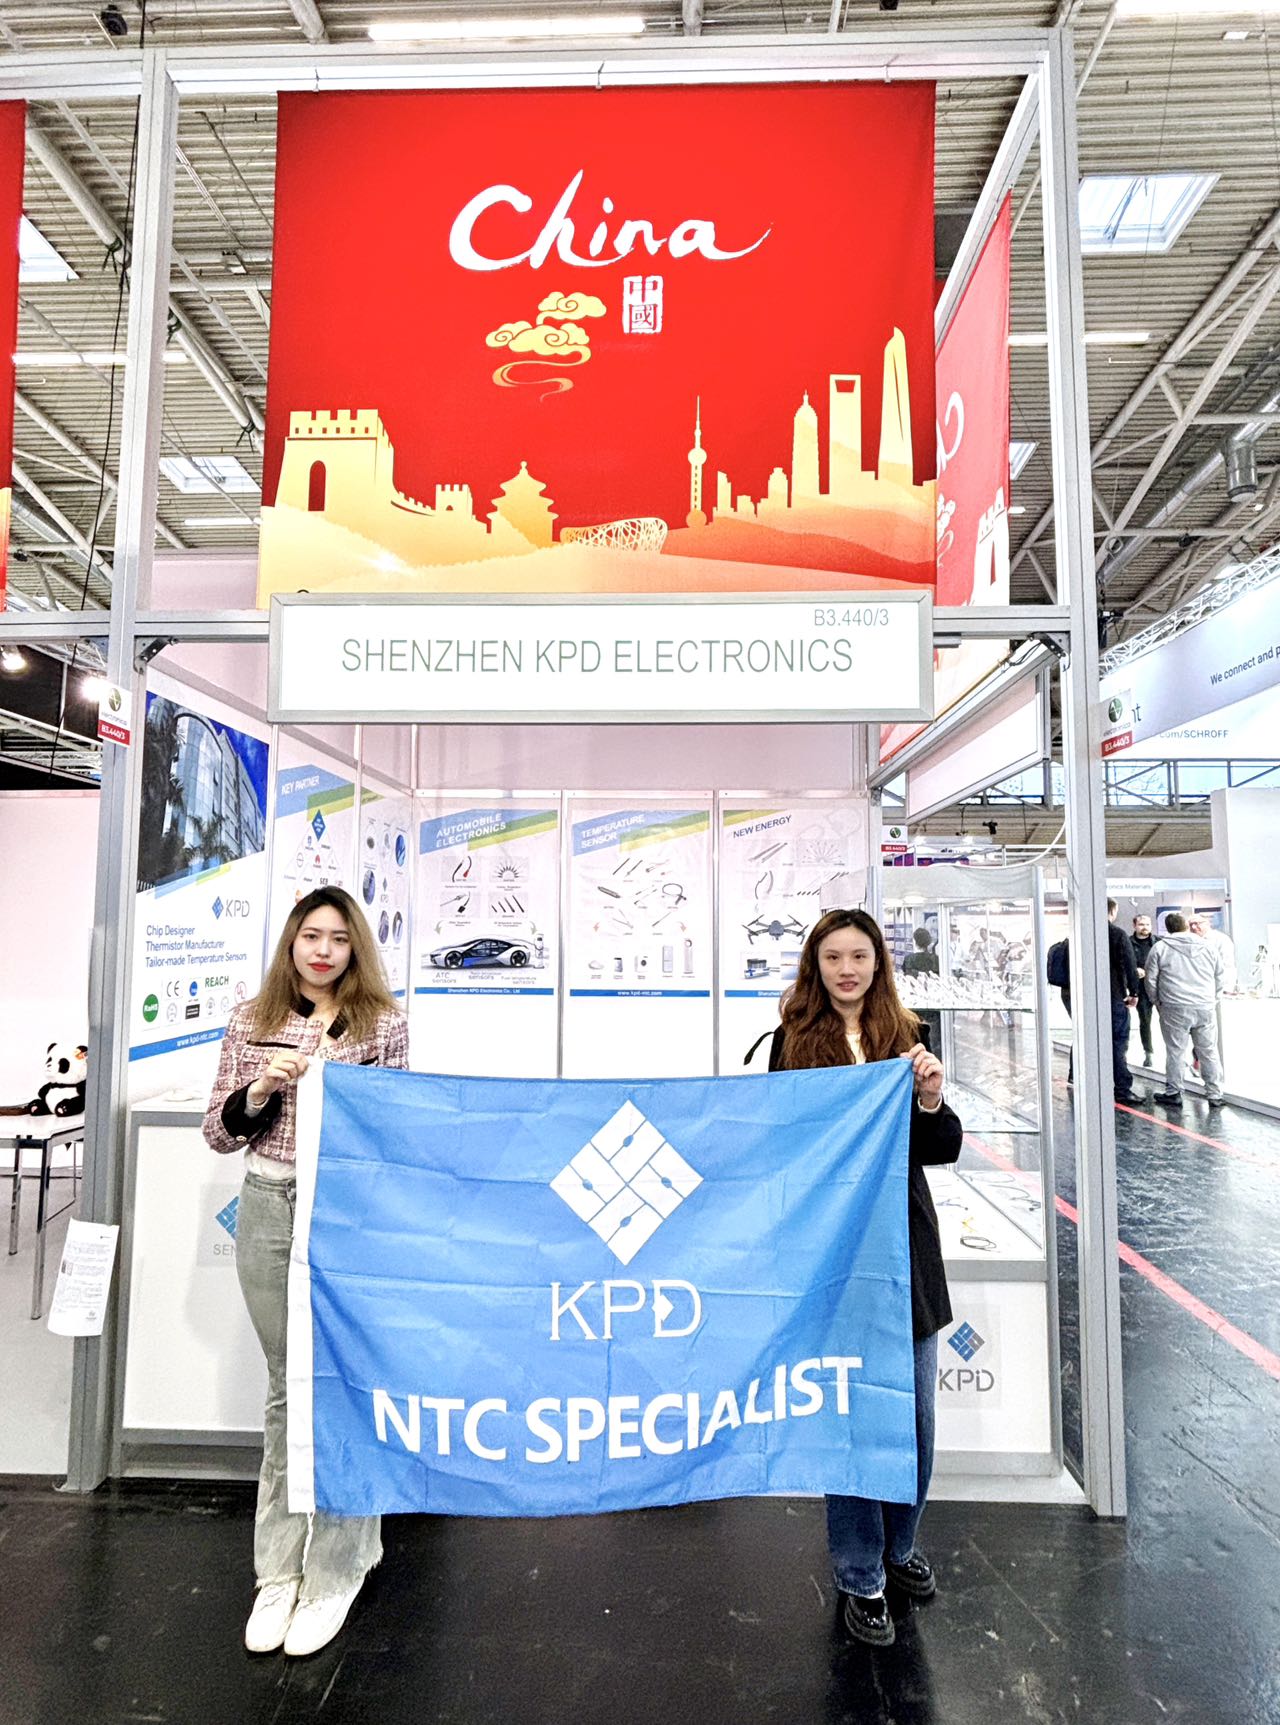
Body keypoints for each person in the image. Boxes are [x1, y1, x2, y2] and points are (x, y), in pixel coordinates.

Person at [203, 887, 409, 1657]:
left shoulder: (382, 1023)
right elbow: (217, 1132)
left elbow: (395, 1128)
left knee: (342, 1387)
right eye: (311, 935)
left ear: (356, 947)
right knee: (287, 1388)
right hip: (268, 1205)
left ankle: (338, 1567)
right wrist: (261, 1089)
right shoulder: (251, 1019)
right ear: (292, 940)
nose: (323, 950)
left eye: (338, 938)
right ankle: (278, 1572)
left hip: (345, 1215)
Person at [759, 907, 962, 1649]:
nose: (847, 969)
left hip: (905, 1249)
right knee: (848, 1419)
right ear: (815, 966)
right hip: (834, 1255)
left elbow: (940, 1145)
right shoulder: (791, 1043)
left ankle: (900, 1546)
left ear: (879, 963)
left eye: (860, 956)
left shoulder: (908, 1035)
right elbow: (780, 1147)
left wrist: (930, 1097)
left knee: (915, 1420)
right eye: (833, 957)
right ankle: (859, 1572)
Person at [1146, 911, 1226, 1110]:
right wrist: (1213, 999)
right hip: (1204, 1006)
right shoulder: (1208, 947)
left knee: (1175, 1051)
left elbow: (1151, 979)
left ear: (1168, 928)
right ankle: (1215, 1094)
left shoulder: (1160, 948)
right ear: (1186, 926)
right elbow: (1220, 976)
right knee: (1208, 1051)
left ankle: (1174, 1092)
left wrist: (1157, 1001)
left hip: (1174, 1007)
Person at [1107, 899, 1141, 1104]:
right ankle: (1122, 1088)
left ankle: (1085, 1081)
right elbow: (1130, 964)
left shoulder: (1082, 932)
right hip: (1114, 996)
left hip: (1086, 998)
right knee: (1118, 1043)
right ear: (1112, 912)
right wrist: (1134, 992)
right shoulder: (1117, 934)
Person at [1130, 914, 1156, 1068]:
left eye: (1147, 924)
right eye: (1141, 924)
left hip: (1159, 987)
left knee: (1170, 1021)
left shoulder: (1158, 942)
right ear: (1135, 926)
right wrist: (1134, 971)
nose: (1145, 927)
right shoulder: (1128, 943)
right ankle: (1148, 1052)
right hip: (1140, 988)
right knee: (1145, 1021)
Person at [1188, 915, 1237, 993]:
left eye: (1197, 923)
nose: (1193, 927)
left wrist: (1227, 989)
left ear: (1207, 923)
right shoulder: (1189, 941)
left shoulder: (1221, 939)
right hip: (1196, 989)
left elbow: (1227, 965)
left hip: (1216, 988)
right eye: (1191, 925)